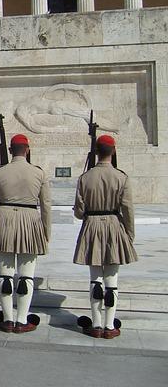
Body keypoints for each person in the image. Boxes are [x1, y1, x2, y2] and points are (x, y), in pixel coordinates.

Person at [0, 134, 51, 333]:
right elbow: (46, 206)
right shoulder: (39, 173)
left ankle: (7, 319)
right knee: (26, 277)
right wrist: (46, 233)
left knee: (5, 275)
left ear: (10, 150)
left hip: (4, 220)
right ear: (27, 150)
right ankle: (21, 320)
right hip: (30, 221)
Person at [73, 134, 137, 339]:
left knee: (95, 280)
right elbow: (127, 209)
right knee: (112, 280)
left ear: (96, 152)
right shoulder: (121, 177)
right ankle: (110, 326)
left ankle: (96, 323)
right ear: (114, 151)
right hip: (113, 227)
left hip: (92, 226)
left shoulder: (85, 177)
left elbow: (79, 211)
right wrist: (129, 234)